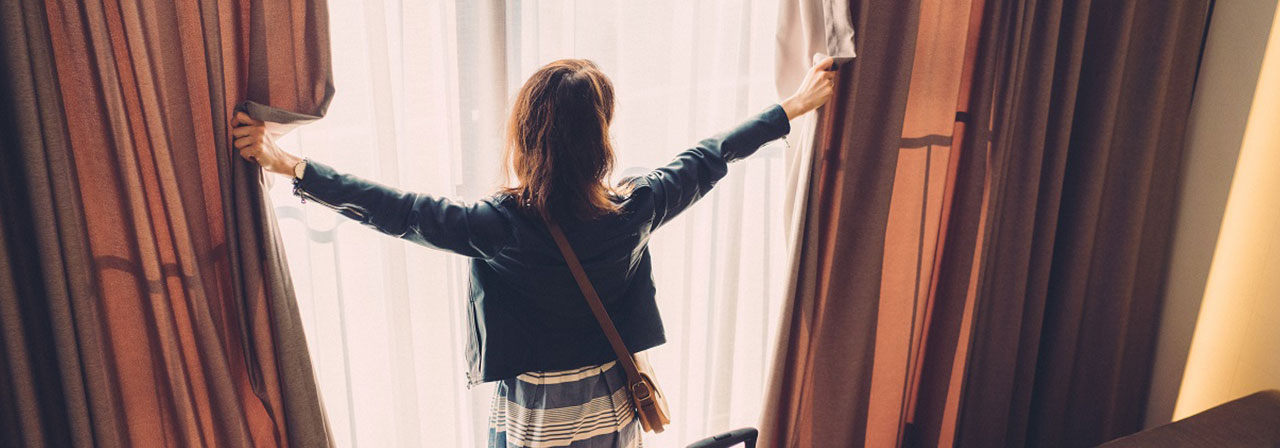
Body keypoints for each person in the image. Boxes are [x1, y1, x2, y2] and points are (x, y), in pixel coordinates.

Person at [233, 55, 836, 448]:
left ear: (526, 136)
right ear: (599, 140)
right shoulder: (635, 206)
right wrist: (795, 105)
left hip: (536, 412)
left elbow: (401, 212)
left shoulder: (499, 225)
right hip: (610, 400)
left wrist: (291, 164)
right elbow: (712, 155)